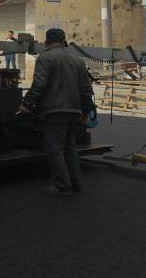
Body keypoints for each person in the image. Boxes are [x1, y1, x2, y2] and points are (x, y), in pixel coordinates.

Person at [19, 28, 94, 196]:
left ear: (47, 42)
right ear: (63, 41)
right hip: (74, 110)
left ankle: (62, 186)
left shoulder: (45, 57)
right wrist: (86, 110)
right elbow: (86, 89)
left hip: (55, 110)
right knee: (69, 148)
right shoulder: (77, 60)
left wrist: (27, 103)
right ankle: (76, 183)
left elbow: (39, 84)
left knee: (55, 148)